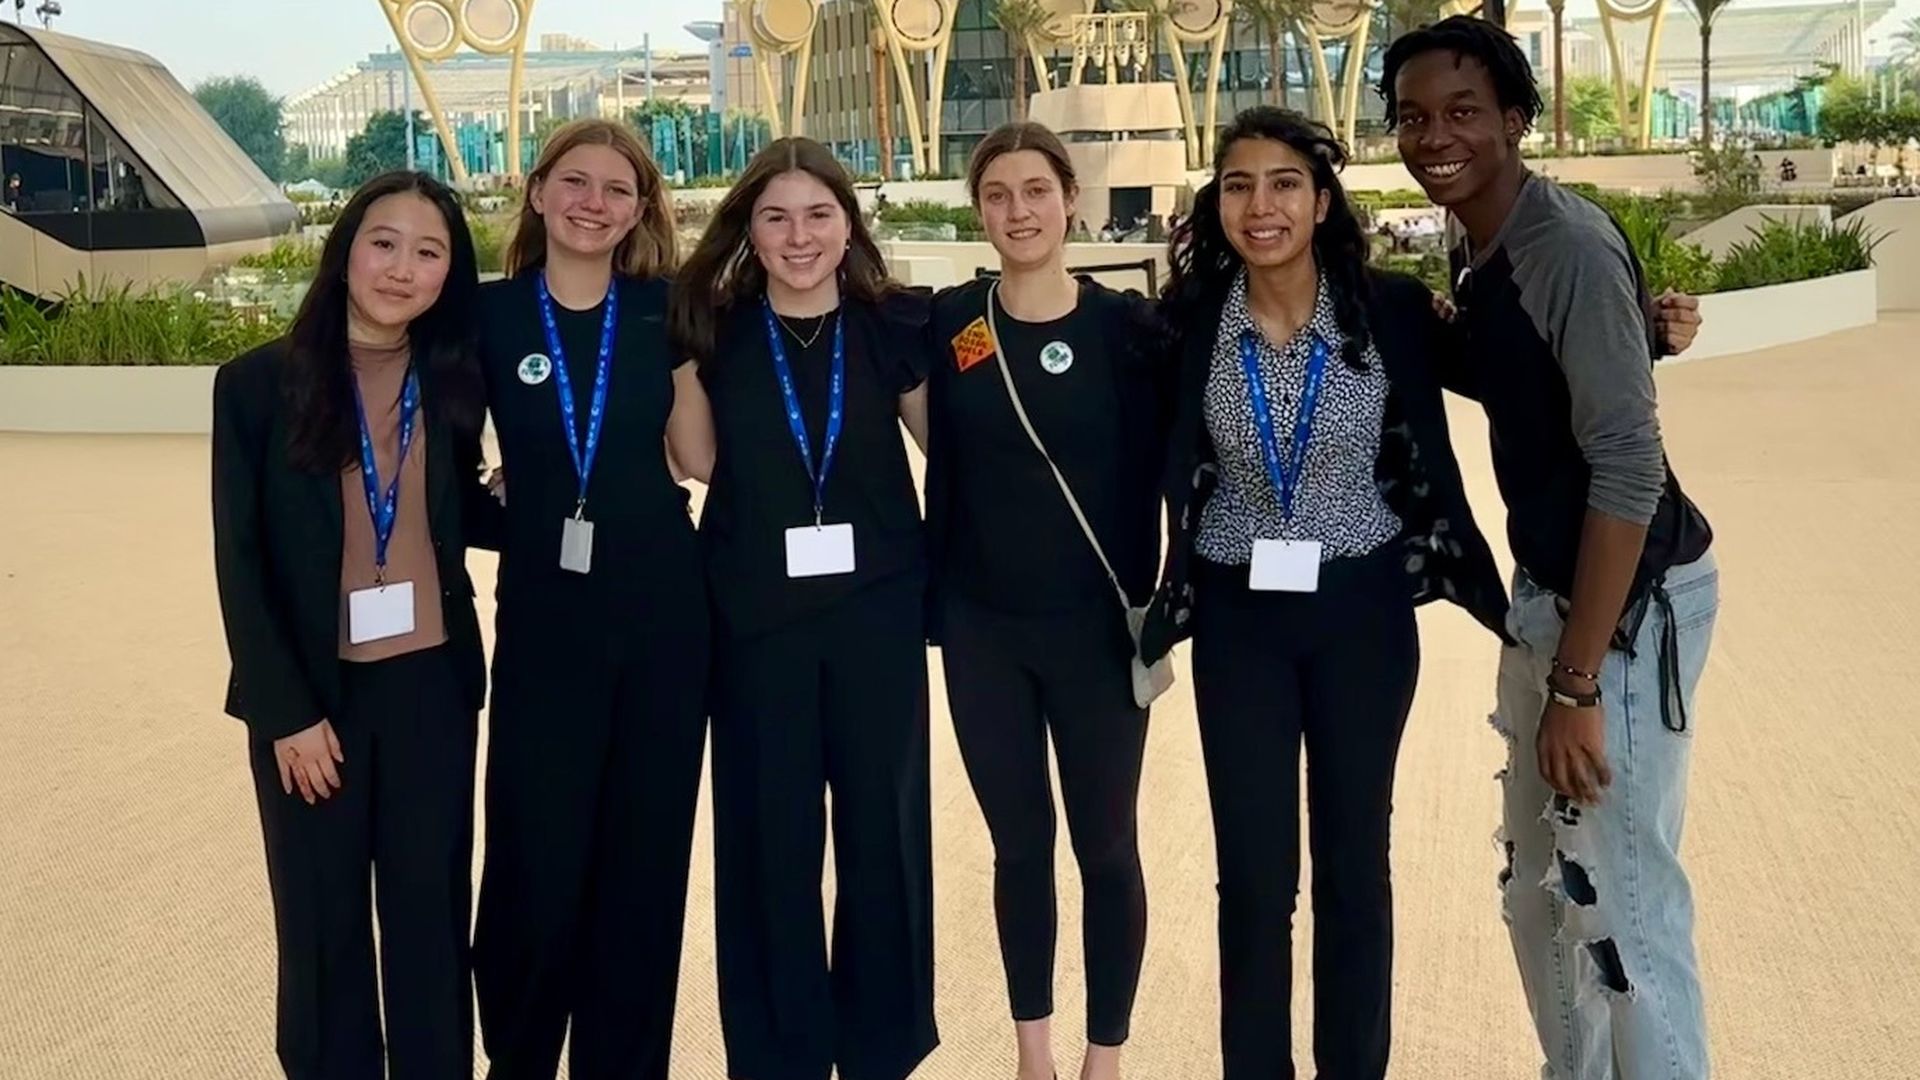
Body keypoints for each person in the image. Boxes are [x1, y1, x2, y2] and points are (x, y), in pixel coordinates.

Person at [1137, 106, 1512, 1080]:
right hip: (1239, 619)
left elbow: (1513, 364)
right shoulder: (1186, 324)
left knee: (1354, 867)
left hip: (1362, 614)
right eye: (1238, 185)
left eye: (1284, 183)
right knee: (1254, 881)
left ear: (1322, 200)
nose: (1260, 206)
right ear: (1216, 204)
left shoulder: (1389, 310)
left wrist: (1649, 328)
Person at [1383, 18, 1719, 1079]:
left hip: (1623, 610)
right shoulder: (1478, 239)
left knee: (1622, 908)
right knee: (1544, 897)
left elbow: (1628, 468)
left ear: (1517, 120)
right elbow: (1520, 371)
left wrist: (1578, 681)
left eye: (1463, 112)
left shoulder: (1561, 243)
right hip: (1547, 598)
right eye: (1413, 118)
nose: (1436, 137)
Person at [211, 170, 497, 1080]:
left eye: (429, 251)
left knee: (429, 917)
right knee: (321, 923)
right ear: (346, 251)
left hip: (430, 687)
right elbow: (240, 561)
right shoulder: (255, 386)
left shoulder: (452, 381)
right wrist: (285, 714)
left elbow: (452, 510)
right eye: (384, 243)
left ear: (449, 273)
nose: (402, 268)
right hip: (312, 697)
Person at [667, 136, 940, 1080]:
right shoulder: (716, 328)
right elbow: (700, 462)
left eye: (819, 214)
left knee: (883, 832)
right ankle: (779, 1052)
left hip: (877, 618)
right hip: (757, 624)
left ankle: (879, 1047)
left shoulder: (892, 323)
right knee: (767, 840)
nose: (798, 236)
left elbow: (949, 449)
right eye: (775, 217)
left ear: (848, 224)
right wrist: (681, 357)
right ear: (748, 229)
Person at [923, 121, 1176, 1080]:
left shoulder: (1127, 329)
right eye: (997, 195)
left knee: (1106, 846)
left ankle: (1103, 1057)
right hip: (982, 629)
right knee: (1019, 846)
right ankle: (1033, 1054)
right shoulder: (953, 325)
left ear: (1072, 199)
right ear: (978, 211)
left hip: (1098, 633)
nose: (1018, 212)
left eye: (1036, 191)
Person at [470, 119, 713, 1080]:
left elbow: (698, 458)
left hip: (664, 616)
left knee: (643, 866)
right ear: (537, 193)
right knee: (534, 859)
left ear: (641, 209)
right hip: (545, 620)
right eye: (575, 182)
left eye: (618, 189)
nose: (593, 203)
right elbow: (438, 458)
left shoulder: (667, 308)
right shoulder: (487, 315)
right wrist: (511, 498)